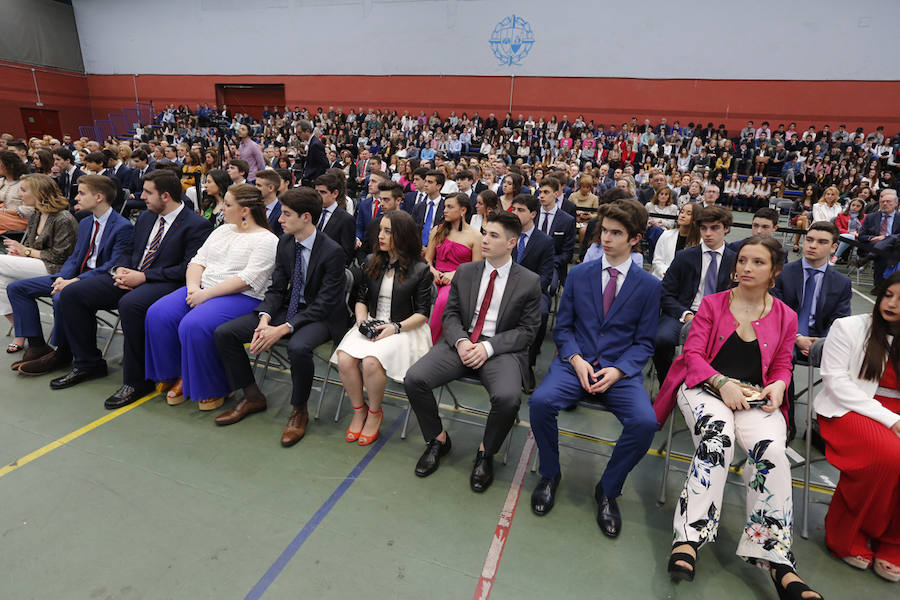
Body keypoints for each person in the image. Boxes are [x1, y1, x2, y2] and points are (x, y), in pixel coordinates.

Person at [655, 236, 822, 600]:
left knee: (771, 453)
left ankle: (778, 562)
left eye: (758, 262)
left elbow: (781, 364)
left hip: (754, 396)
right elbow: (694, 355)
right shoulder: (714, 305)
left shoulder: (786, 316)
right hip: (703, 386)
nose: (746, 267)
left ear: (774, 272)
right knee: (717, 439)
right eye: (743, 260)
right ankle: (689, 537)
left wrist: (779, 385)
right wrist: (722, 382)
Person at [528, 201, 661, 536]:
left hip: (619, 371)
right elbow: (563, 328)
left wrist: (618, 371)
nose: (607, 238)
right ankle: (550, 472)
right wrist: (575, 359)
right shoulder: (580, 274)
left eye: (616, 233)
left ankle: (609, 488)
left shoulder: (648, 286)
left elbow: (645, 342)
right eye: (604, 231)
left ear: (635, 239)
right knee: (541, 402)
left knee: (645, 423)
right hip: (576, 363)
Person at [404, 211, 541, 492]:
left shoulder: (528, 281)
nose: (485, 240)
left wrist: (488, 347)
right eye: (484, 233)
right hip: (462, 342)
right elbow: (451, 314)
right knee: (414, 379)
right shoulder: (467, 272)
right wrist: (463, 342)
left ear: (512, 243)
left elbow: (527, 332)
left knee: (508, 398)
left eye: (493, 235)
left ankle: (485, 452)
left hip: (500, 349)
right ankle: (438, 439)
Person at [50, 170, 213, 407]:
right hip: (132, 275)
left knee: (131, 304)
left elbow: (186, 268)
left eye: (148, 192)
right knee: (73, 293)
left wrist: (143, 276)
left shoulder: (196, 225)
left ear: (165, 196)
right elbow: (130, 251)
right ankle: (88, 364)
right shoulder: (147, 217)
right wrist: (121, 270)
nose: (142, 196)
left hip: (165, 283)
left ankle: (137, 381)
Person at [213, 187, 349, 446]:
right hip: (288, 307)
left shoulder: (332, 251)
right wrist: (265, 318)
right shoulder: (286, 242)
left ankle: (299, 410)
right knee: (225, 333)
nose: (279, 219)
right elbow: (277, 288)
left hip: (321, 316)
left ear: (306, 217)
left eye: (286, 214)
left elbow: (324, 303)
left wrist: (283, 328)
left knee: (298, 348)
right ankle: (252, 395)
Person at [143, 183, 278, 411]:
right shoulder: (222, 230)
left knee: (194, 325)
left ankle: (214, 387)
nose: (221, 209)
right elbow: (197, 261)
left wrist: (205, 295)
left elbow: (248, 279)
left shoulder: (267, 240)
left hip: (243, 296)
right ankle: (180, 373)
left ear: (245, 210)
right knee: (159, 314)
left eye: (227, 204)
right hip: (203, 288)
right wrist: (193, 288)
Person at [817, 273, 900, 583]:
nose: (891, 304)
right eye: (888, 295)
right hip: (850, 409)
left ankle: (893, 541)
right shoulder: (850, 327)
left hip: (895, 414)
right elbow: (836, 382)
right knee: (889, 456)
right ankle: (846, 536)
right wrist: (890, 419)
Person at [8, 175, 134, 376]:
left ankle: (62, 352)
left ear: (99, 197)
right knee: (17, 288)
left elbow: (112, 265)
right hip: (74, 276)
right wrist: (63, 277)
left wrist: (74, 281)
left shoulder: (123, 226)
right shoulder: (85, 222)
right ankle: (37, 345)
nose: (76, 198)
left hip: (99, 280)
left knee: (62, 296)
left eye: (82, 193)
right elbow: (75, 258)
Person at [334, 210, 432, 445]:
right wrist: (361, 321)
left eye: (388, 231)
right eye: (381, 230)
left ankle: (375, 413)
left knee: (370, 361)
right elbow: (361, 299)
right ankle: (359, 410)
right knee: (345, 358)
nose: (381, 235)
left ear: (402, 235)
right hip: (372, 322)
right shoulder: (371, 261)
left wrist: (395, 327)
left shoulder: (420, 269)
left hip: (405, 328)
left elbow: (422, 314)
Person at [654, 205, 736, 383]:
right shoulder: (684, 257)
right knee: (661, 339)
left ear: (726, 229)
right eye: (703, 228)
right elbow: (665, 294)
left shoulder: (735, 260)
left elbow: (740, 299)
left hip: (720, 318)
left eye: (714, 228)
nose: (708, 233)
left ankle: (709, 385)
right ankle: (668, 384)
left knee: (734, 346)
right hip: (683, 313)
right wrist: (686, 314)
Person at [0, 174, 77, 353]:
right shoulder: (36, 214)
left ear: (40, 193)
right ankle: (21, 331)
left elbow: (59, 258)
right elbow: (30, 246)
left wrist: (25, 252)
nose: (20, 194)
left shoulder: (63, 218)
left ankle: (22, 332)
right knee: (2, 281)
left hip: (58, 269)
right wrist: (19, 252)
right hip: (39, 263)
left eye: (24, 190)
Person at [510, 193, 555, 391]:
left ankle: (528, 363)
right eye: (514, 209)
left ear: (533, 214)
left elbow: (545, 275)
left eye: (521, 210)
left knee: (542, 313)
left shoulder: (544, 241)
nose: (515, 213)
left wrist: (526, 292)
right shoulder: (506, 235)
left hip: (533, 290)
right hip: (506, 286)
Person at [425, 193, 482, 343]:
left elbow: (477, 268)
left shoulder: (475, 236)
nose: (445, 210)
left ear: (463, 210)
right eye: (445, 207)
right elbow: (428, 260)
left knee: (443, 300)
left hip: (459, 279)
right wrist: (433, 271)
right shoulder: (438, 230)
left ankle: (431, 343)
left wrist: (455, 274)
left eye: (450, 207)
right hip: (434, 275)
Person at [536, 177, 576, 287]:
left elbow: (567, 253)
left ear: (556, 194)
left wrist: (549, 261)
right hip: (530, 261)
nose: (542, 195)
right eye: (540, 192)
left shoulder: (567, 220)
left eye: (546, 192)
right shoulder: (532, 215)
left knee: (549, 287)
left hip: (552, 264)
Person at [859, 189, 900, 288]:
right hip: (873, 245)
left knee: (890, 245)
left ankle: (881, 285)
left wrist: (887, 239)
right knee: (882, 251)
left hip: (895, 246)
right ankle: (882, 285)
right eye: (882, 202)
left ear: (896, 203)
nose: (885, 204)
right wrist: (873, 238)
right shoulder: (871, 217)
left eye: (888, 202)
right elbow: (861, 235)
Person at [314, 172, 356, 264]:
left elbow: (346, 253)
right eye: (316, 192)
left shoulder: (346, 219)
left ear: (335, 193)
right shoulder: (312, 213)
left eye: (323, 192)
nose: (318, 196)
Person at [651, 202, 701, 280]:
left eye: (688, 214)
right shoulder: (666, 235)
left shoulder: (700, 241)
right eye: (681, 212)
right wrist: (668, 272)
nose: (682, 215)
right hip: (663, 279)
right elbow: (657, 260)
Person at [0, 150, 31, 234]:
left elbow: (31, 209)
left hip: (20, 220)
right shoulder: (1, 181)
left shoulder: (25, 182)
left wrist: (6, 211)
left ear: (9, 165)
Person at [412, 170, 446, 245]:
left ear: (438, 186)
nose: (426, 185)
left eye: (430, 182)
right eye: (425, 181)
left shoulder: (445, 207)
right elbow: (413, 229)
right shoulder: (418, 206)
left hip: (437, 246)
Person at [831, 197, 866, 264]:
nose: (854, 207)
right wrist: (850, 233)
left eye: (858, 206)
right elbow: (838, 229)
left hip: (858, 237)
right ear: (849, 205)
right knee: (850, 237)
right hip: (841, 236)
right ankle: (836, 256)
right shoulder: (841, 215)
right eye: (853, 205)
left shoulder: (865, 217)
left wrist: (858, 234)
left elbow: (865, 229)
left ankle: (860, 262)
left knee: (859, 240)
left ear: (861, 208)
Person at [298, 119, 328, 184]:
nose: (298, 135)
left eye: (300, 132)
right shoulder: (312, 142)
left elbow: (324, 164)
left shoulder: (315, 144)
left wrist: (315, 179)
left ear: (307, 131)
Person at [254, 169, 284, 235]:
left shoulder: (282, 213)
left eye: (259, 185)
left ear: (271, 188)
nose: (255, 188)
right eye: (255, 184)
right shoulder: (252, 207)